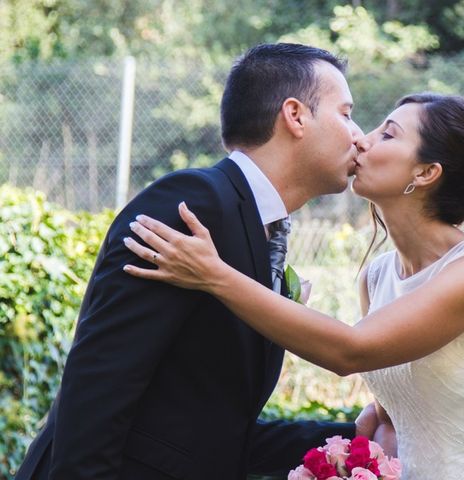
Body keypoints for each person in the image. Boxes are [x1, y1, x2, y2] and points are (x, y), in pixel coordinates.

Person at [123, 92, 464, 479]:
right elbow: (396, 414)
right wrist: (364, 446)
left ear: (426, 172)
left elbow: (351, 350)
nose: (363, 139)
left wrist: (213, 274)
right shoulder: (377, 275)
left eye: (388, 134)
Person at [15, 43, 381, 480]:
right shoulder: (194, 203)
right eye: (346, 113)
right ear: (295, 115)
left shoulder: (256, 226)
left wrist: (352, 440)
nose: (359, 135)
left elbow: (211, 432)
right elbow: (100, 382)